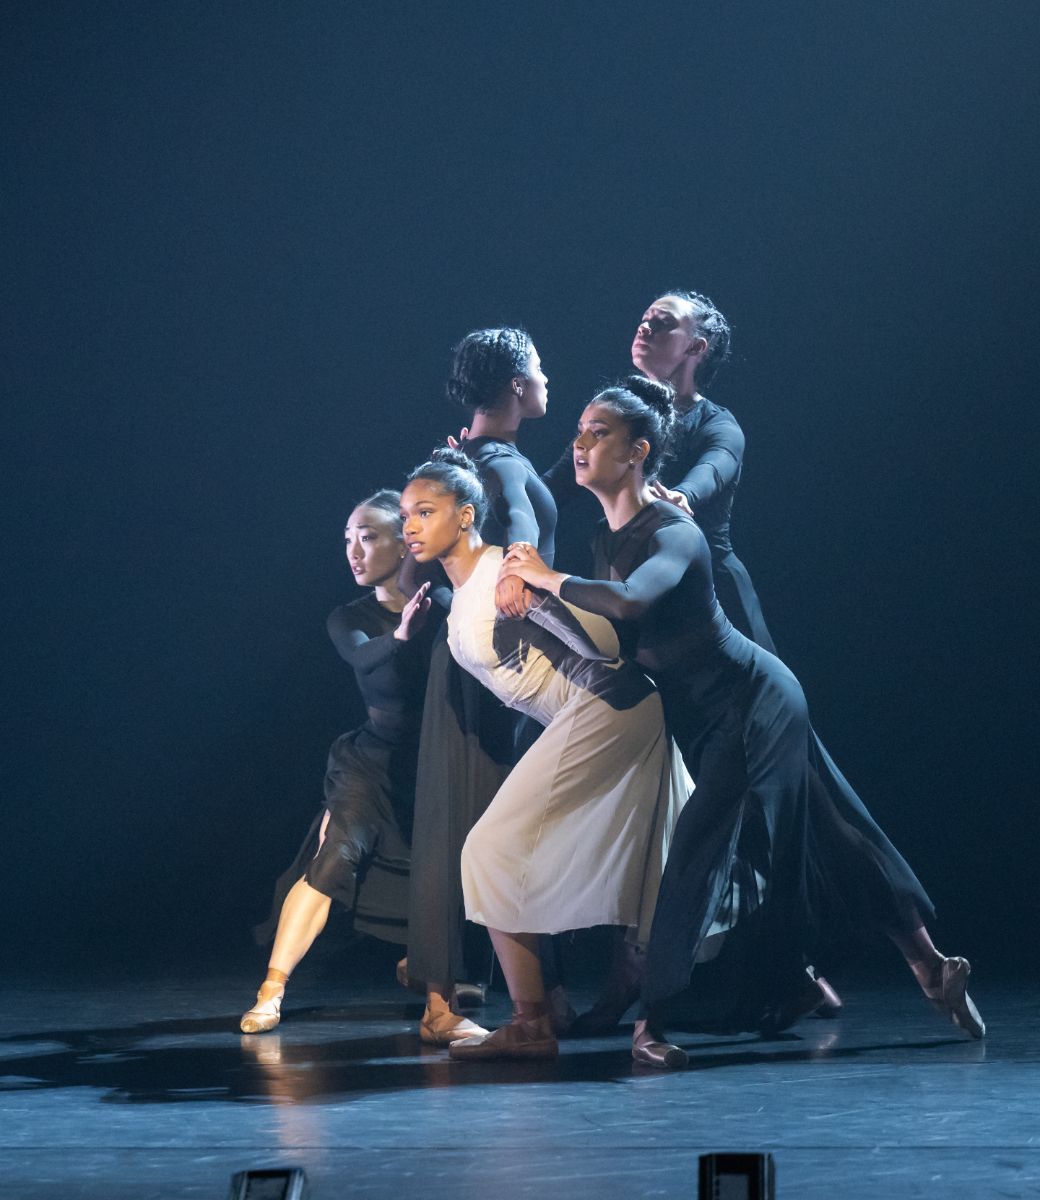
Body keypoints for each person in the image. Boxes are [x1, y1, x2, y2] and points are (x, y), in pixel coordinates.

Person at [500, 377, 985, 1067]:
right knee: (824, 828)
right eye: (577, 430)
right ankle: (918, 967)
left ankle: (653, 1026)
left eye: (597, 433)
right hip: (701, 715)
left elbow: (632, 605)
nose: (578, 444)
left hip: (756, 701)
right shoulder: (603, 545)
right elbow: (613, 639)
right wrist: (536, 608)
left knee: (701, 847)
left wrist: (544, 578)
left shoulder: (674, 530)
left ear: (639, 452)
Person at [400, 449, 690, 1063]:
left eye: (426, 511)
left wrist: (536, 595)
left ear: (468, 514)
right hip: (594, 718)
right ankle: (540, 1014)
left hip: (609, 709)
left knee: (489, 847)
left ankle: (533, 1022)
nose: (411, 526)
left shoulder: (500, 576)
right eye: (405, 516)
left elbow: (594, 645)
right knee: (528, 853)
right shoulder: (464, 593)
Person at [239, 491, 459, 1035]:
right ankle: (272, 990)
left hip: (432, 763)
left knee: (447, 873)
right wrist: (402, 635)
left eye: (368, 536)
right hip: (368, 763)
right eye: (348, 539)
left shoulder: (448, 605)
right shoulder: (349, 617)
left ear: (405, 540)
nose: (354, 551)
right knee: (337, 852)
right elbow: (365, 660)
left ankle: (430, 976)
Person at [406, 328, 568, 1045]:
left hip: (490, 657)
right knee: (464, 817)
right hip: (486, 661)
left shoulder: (471, 457)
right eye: (538, 370)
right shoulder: (493, 461)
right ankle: (442, 1003)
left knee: (497, 822)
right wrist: (518, 567)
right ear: (513, 387)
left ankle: (536, 995)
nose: (546, 380)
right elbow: (524, 517)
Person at [631, 290, 777, 653]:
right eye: (645, 319)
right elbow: (556, 485)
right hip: (645, 584)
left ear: (697, 347)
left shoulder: (719, 425)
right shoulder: (617, 415)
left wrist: (683, 494)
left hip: (712, 588)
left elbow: (714, 468)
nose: (644, 328)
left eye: (662, 323)